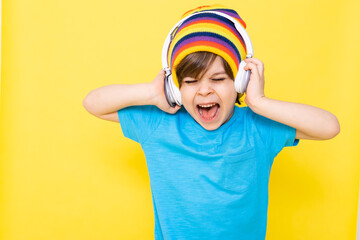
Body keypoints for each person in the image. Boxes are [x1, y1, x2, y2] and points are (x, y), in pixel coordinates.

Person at [82, 4, 340, 240]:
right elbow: (93, 103)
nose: (204, 91)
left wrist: (260, 102)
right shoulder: (159, 124)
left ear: (240, 81)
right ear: (175, 87)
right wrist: (150, 93)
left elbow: (329, 127)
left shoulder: (257, 127)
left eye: (218, 79)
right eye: (191, 82)